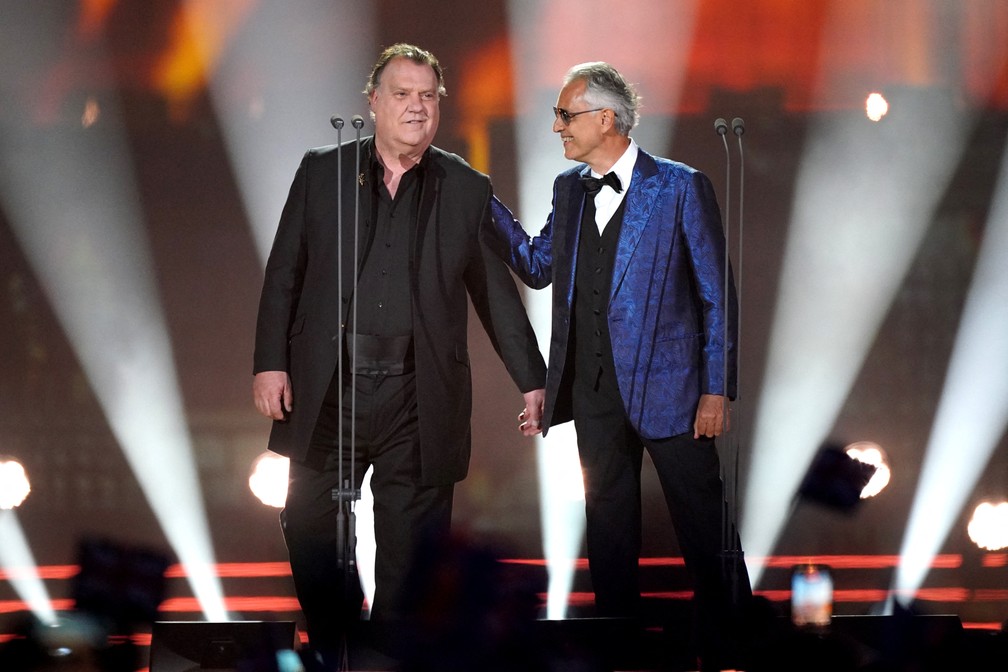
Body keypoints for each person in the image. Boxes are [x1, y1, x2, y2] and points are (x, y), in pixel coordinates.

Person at [252, 43, 546, 659]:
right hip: (329, 388)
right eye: (404, 95)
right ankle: (338, 645)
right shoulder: (321, 172)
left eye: (428, 97)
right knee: (308, 530)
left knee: (412, 554)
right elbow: (284, 272)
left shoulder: (466, 188)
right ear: (374, 102)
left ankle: (387, 657)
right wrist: (269, 362)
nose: (417, 107)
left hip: (418, 393)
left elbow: (496, 294)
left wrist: (533, 380)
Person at [489, 62, 752, 671]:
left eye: (566, 115)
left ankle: (736, 647)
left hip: (676, 393)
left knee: (702, 526)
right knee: (607, 531)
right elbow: (534, 264)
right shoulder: (567, 190)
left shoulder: (680, 187)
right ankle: (616, 654)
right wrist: (484, 204)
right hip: (595, 391)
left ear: (605, 119)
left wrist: (717, 389)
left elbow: (716, 294)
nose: (557, 127)